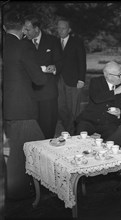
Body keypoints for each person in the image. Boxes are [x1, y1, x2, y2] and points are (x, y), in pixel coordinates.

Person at [3, 10, 47, 200]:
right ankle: (30, 193)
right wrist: (40, 71)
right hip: (22, 109)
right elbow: (39, 79)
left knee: (16, 152)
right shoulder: (23, 47)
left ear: (4, 27)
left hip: (7, 108)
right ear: (22, 29)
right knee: (41, 151)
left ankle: (21, 190)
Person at [23, 14, 61, 139]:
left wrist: (55, 67)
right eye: (24, 29)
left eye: (28, 29)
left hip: (48, 93)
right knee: (31, 132)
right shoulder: (22, 43)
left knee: (48, 129)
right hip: (29, 94)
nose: (25, 32)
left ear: (37, 29)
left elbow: (60, 62)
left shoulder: (53, 40)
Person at [75, 61, 121, 140]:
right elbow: (96, 98)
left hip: (110, 123)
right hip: (90, 120)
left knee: (112, 140)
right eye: (119, 75)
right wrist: (115, 92)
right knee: (79, 136)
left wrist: (120, 112)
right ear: (107, 75)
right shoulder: (96, 82)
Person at [56, 18, 87, 135]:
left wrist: (81, 80)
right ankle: (68, 129)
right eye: (58, 28)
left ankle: (74, 132)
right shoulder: (54, 42)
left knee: (73, 109)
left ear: (69, 30)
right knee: (60, 107)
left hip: (74, 81)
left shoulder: (77, 42)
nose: (60, 30)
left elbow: (82, 61)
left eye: (63, 28)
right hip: (58, 80)